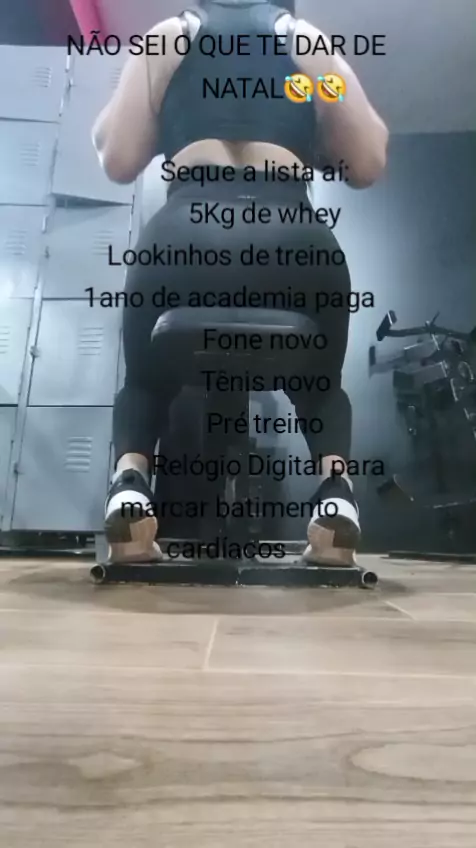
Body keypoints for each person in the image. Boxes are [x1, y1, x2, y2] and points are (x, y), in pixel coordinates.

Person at [92, 0, 389, 565]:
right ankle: (335, 496)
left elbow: (118, 158)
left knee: (146, 382)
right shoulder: (304, 40)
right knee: (320, 386)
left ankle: (130, 486)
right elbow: (368, 160)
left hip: (185, 238)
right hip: (293, 241)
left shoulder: (170, 37)